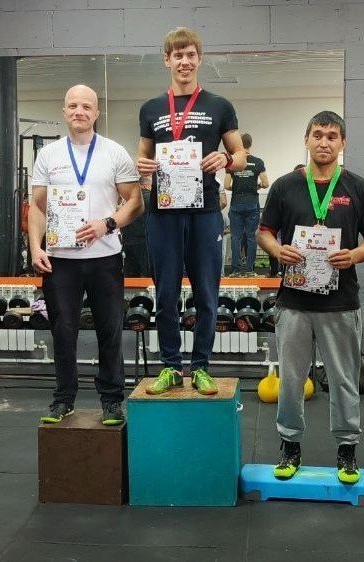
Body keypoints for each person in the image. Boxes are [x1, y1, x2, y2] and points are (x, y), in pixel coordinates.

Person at [257, 111, 364, 484]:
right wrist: (277, 250)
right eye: (317, 135)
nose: (324, 142)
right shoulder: (285, 186)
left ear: (342, 143)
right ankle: (290, 446)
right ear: (306, 139)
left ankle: (347, 450)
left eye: (332, 136)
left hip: (340, 304)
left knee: (343, 381)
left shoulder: (358, 188)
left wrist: (355, 255)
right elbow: (264, 232)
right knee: (291, 382)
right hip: (293, 303)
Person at [136, 27, 246, 396]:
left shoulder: (219, 106)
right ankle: (170, 367)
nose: (184, 61)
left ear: (199, 59)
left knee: (206, 294)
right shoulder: (151, 108)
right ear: (167, 60)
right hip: (164, 211)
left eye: (190, 55)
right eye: (177, 55)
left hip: (205, 211)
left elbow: (240, 156)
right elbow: (143, 156)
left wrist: (226, 159)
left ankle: (200, 367)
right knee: (165, 294)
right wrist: (142, 166)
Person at [29, 84, 143, 425]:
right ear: (64, 111)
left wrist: (107, 224)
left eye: (86, 106)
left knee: (110, 330)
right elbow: (37, 207)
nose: (79, 111)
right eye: (73, 105)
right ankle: (63, 399)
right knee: (63, 331)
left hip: (105, 257)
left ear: (96, 113)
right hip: (60, 260)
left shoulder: (114, 152)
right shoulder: (48, 155)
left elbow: (135, 202)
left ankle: (112, 400)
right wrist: (35, 247)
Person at [225, 132, 269, 277]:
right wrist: (256, 186)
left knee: (235, 237)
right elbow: (265, 183)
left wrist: (237, 187)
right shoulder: (258, 162)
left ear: (240, 143)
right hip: (252, 204)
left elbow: (226, 185)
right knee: (251, 237)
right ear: (250, 144)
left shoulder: (232, 162)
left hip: (236, 204)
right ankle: (250, 270)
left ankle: (236, 270)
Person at [121, 179, 152, 277]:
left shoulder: (128, 201)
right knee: (147, 276)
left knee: (130, 275)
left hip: (128, 242)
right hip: (145, 243)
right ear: (144, 186)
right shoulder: (151, 199)